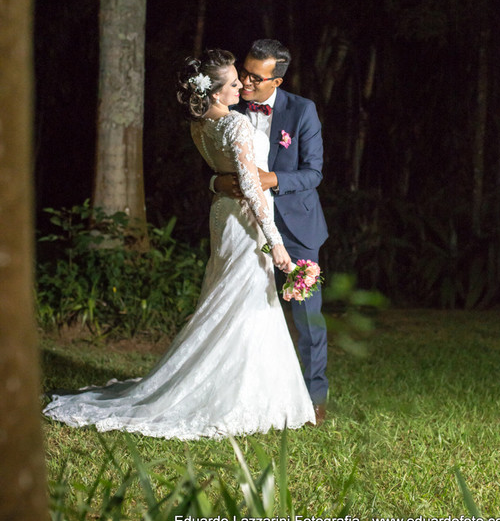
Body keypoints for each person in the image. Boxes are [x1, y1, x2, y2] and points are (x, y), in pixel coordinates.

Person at [43, 49, 315, 439]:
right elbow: (251, 188)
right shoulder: (235, 125)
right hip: (244, 220)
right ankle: (233, 393)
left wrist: (219, 185)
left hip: (223, 214)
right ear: (217, 93)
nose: (242, 85)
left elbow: (223, 175)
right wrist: (276, 243)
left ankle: (254, 385)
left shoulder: (199, 124)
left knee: (234, 298)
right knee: (244, 300)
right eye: (234, 82)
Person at [213, 39, 329, 423]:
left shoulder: (302, 111)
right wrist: (216, 185)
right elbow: (213, 162)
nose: (244, 82)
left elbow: (314, 172)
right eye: (243, 73)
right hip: (247, 227)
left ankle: (314, 398)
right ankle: (245, 396)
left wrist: (271, 179)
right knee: (247, 314)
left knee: (306, 318)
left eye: (253, 77)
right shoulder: (230, 107)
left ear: (275, 82)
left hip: (296, 227)